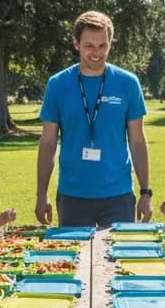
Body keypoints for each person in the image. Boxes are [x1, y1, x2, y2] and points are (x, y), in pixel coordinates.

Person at [35, 11, 151, 227]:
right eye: (89, 45)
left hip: (118, 195)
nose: (96, 53)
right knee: (71, 260)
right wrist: (41, 195)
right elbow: (48, 143)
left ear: (110, 44)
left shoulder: (128, 83)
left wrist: (145, 192)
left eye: (103, 46)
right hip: (72, 195)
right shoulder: (57, 84)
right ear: (76, 43)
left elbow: (137, 141)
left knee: (118, 259)